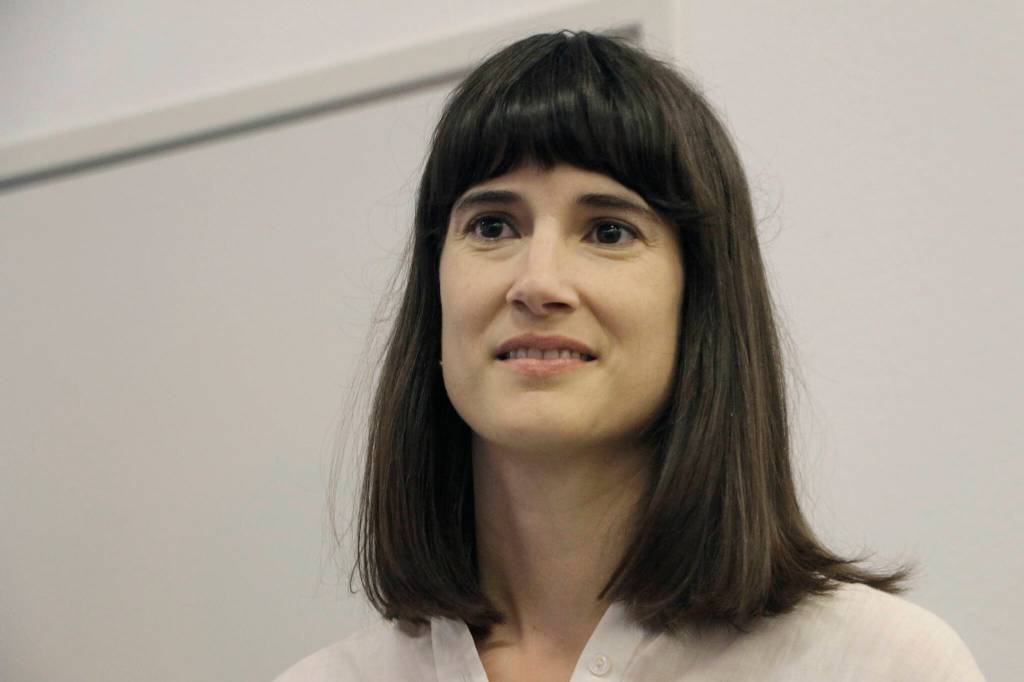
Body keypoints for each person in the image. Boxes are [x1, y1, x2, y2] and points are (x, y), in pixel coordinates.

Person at [275, 30, 985, 681]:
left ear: (699, 297)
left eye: (608, 231)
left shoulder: (881, 664)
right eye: (492, 225)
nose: (538, 282)